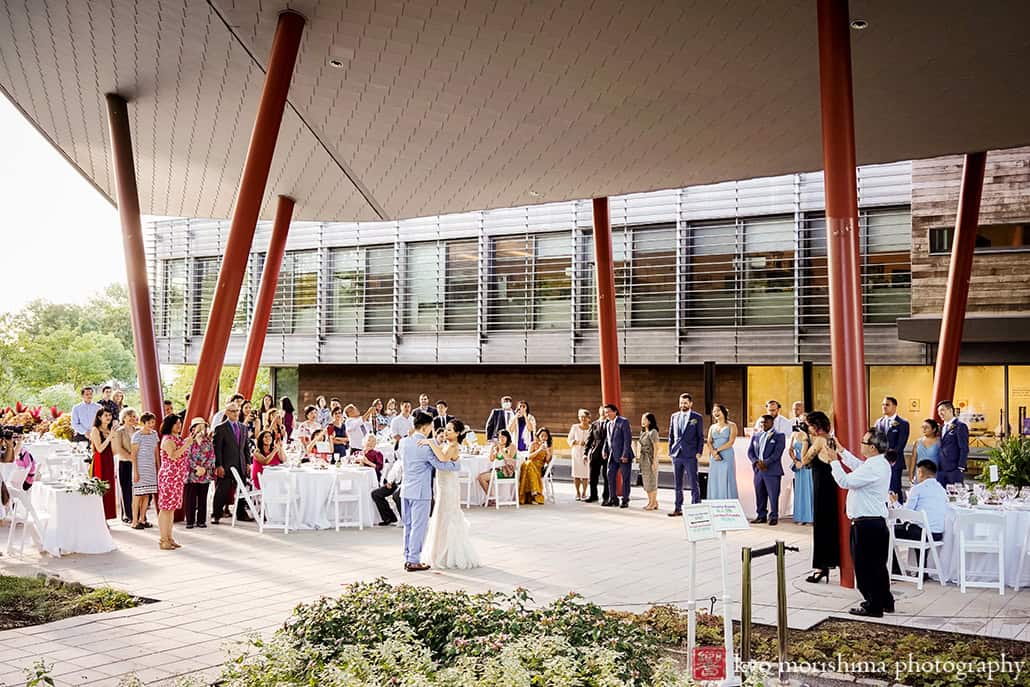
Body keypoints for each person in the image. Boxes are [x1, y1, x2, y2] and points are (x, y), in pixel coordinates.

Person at [829, 427, 895, 618]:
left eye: (864, 442)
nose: (861, 444)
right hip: (874, 524)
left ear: (873, 447)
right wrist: (842, 451)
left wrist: (834, 460)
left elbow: (845, 481)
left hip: (867, 524)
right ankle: (885, 601)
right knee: (878, 566)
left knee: (865, 567)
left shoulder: (874, 467)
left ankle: (873, 605)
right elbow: (858, 466)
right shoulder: (876, 464)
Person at [401, 411, 461, 572]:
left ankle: (407, 557)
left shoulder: (404, 442)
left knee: (408, 525)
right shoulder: (426, 446)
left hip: (405, 489)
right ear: (427, 427)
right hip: (420, 491)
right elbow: (441, 464)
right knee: (419, 526)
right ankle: (414, 560)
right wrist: (457, 465)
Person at [420, 419, 481, 568]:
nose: (446, 432)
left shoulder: (453, 446)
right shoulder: (447, 444)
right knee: (441, 515)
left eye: (449, 430)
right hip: (442, 484)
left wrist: (431, 443)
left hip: (448, 486)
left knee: (446, 515)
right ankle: (440, 552)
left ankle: (445, 554)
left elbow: (443, 458)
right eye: (446, 429)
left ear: (457, 433)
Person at [801, 411, 841, 583]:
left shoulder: (818, 441)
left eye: (809, 425)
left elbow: (804, 460)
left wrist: (803, 441)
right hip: (830, 485)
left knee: (821, 526)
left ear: (815, 426)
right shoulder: (830, 439)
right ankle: (827, 563)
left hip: (822, 487)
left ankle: (820, 567)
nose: (807, 428)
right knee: (830, 524)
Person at [156, 414, 192, 549]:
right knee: (165, 508)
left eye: (180, 423)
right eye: (176, 423)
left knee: (171, 509)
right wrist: (186, 444)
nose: (179, 425)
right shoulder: (167, 439)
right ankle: (163, 539)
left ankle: (169, 537)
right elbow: (174, 455)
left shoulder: (178, 438)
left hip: (177, 477)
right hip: (169, 477)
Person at [212, 404, 252, 524]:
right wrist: (219, 465)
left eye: (237, 411)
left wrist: (248, 463)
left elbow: (246, 448)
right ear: (227, 412)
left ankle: (241, 513)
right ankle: (216, 514)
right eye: (232, 411)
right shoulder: (220, 428)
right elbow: (217, 449)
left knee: (242, 489)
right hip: (226, 465)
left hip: (241, 463)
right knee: (221, 491)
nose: (235, 413)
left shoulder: (243, 428)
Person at [892, 460, 947, 543]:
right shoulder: (942, 490)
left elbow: (905, 513)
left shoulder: (918, 489)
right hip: (937, 535)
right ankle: (919, 556)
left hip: (922, 534)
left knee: (886, 531)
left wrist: (895, 502)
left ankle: (891, 556)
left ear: (920, 472)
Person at [668, 393, 704, 515]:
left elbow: (700, 436)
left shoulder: (697, 417)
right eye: (681, 402)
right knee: (678, 483)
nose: (682, 405)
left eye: (685, 403)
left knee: (693, 481)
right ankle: (678, 508)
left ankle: (696, 508)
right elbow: (671, 435)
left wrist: (699, 451)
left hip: (690, 454)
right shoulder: (674, 416)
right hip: (677, 454)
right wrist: (670, 451)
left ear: (690, 404)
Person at [748, 414, 786, 525]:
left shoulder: (779, 436)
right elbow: (750, 452)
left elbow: (777, 454)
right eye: (762, 422)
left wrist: (765, 462)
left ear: (772, 423)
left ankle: (774, 516)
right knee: (759, 494)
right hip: (758, 470)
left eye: (766, 422)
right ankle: (761, 516)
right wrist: (756, 462)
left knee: (773, 495)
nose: (763, 424)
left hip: (772, 470)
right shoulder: (756, 435)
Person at [877, 397, 910, 503]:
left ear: (895, 406)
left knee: (894, 488)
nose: (884, 407)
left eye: (887, 405)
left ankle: (899, 514)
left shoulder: (903, 423)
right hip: (880, 461)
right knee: (882, 488)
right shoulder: (879, 422)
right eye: (883, 405)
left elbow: (901, 444)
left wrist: (889, 457)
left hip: (894, 462)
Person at [130, 412, 160, 530]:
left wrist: (158, 467)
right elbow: (134, 455)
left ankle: (143, 519)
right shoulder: (137, 435)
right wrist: (136, 472)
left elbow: (156, 452)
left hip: (151, 468)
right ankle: (134, 521)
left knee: (147, 494)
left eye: (153, 422)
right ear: (143, 423)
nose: (152, 425)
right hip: (140, 468)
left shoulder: (154, 434)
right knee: (138, 495)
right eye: (149, 422)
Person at [184, 418, 215, 529]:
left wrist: (204, 468)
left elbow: (212, 457)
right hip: (191, 474)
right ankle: (190, 521)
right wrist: (196, 467)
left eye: (204, 426)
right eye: (199, 426)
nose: (202, 429)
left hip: (204, 474)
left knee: (203, 498)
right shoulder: (187, 441)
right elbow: (186, 458)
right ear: (193, 428)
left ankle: (201, 520)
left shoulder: (208, 442)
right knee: (190, 498)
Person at [603, 404, 634, 508]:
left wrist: (625, 454)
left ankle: (625, 500)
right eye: (605, 412)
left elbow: (627, 439)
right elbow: (608, 439)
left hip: (623, 456)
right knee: (610, 476)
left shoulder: (623, 421)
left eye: (608, 412)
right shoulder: (608, 424)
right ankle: (613, 499)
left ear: (615, 411)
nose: (606, 414)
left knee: (625, 478)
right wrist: (605, 450)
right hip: (612, 456)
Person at [89, 408, 118, 520]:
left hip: (109, 460)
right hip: (99, 461)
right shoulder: (95, 430)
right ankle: (99, 518)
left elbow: (115, 450)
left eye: (110, 415)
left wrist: (114, 436)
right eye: (106, 415)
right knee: (101, 489)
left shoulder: (111, 430)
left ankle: (107, 517)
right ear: (99, 417)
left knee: (109, 489)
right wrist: (110, 437)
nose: (109, 417)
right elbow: (99, 449)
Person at [706, 404, 739, 501]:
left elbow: (731, 442)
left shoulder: (732, 425)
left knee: (727, 477)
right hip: (715, 457)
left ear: (724, 412)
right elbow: (709, 441)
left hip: (726, 454)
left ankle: (729, 505)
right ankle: (714, 504)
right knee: (714, 479)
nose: (716, 413)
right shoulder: (712, 427)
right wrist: (714, 453)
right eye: (714, 411)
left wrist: (718, 450)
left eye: (718, 411)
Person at [111, 408, 139, 523]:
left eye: (134, 416)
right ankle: (128, 515)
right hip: (125, 463)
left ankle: (138, 514)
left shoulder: (138, 430)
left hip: (137, 463)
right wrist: (131, 458)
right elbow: (118, 449)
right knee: (126, 489)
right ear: (124, 418)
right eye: (130, 416)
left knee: (137, 490)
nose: (132, 418)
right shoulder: (119, 431)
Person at [936, 400, 968, 486]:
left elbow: (964, 448)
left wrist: (960, 467)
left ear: (950, 410)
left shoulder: (960, 426)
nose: (940, 413)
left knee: (954, 495)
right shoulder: (941, 427)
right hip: (940, 469)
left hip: (954, 469)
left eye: (942, 410)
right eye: (938, 411)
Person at [519, 427, 553, 505]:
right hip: (530, 464)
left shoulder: (548, 447)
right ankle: (534, 492)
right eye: (542, 436)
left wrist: (548, 452)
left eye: (546, 436)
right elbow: (529, 457)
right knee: (528, 463)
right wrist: (539, 450)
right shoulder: (533, 444)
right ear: (538, 436)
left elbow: (547, 461)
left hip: (539, 468)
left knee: (528, 465)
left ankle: (532, 494)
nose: (544, 438)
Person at [789, 416, 814, 524]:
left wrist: (802, 462)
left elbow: (808, 452)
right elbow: (790, 450)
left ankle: (810, 517)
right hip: (798, 466)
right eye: (800, 421)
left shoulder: (811, 435)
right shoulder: (794, 434)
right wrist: (795, 461)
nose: (802, 423)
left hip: (808, 466)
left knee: (809, 490)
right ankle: (800, 517)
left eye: (805, 421)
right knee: (799, 491)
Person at [479, 429, 516, 497]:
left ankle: (492, 498)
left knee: (481, 478)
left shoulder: (511, 446)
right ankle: (491, 498)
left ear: (507, 438)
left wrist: (501, 449)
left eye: (503, 437)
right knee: (480, 477)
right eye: (500, 437)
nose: (501, 439)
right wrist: (493, 449)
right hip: (497, 471)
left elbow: (508, 459)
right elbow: (491, 459)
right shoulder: (497, 447)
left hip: (507, 472)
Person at [584, 406, 609, 503]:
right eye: (601, 410)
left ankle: (606, 497)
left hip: (607, 453)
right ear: (599, 411)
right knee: (593, 476)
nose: (603, 412)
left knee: (606, 476)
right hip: (595, 454)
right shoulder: (594, 424)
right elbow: (589, 440)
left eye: (605, 411)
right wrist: (585, 453)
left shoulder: (610, 424)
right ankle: (593, 495)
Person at [637, 413, 661, 510]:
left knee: (652, 481)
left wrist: (654, 462)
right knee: (646, 481)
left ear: (650, 421)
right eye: (642, 419)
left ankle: (653, 503)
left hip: (650, 459)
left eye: (645, 419)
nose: (642, 421)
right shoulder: (642, 432)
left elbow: (656, 447)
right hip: (643, 459)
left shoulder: (653, 432)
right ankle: (652, 502)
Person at [372, 456, 403, 526]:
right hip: (395, 483)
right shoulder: (399, 461)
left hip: (405, 484)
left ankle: (404, 520)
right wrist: (390, 481)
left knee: (397, 496)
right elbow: (394, 471)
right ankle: (389, 518)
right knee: (376, 494)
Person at [568, 409, 592, 501]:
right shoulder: (575, 427)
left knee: (586, 474)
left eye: (585, 417)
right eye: (581, 417)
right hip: (576, 453)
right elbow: (569, 439)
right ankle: (577, 492)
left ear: (589, 418)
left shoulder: (591, 427)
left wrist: (588, 444)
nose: (583, 419)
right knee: (576, 473)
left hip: (587, 453)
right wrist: (577, 442)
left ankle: (584, 492)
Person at [908, 419, 940, 484]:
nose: (924, 429)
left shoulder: (939, 442)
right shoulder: (917, 442)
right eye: (923, 427)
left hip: (933, 474)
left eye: (927, 427)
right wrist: (911, 475)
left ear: (933, 429)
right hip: (919, 474)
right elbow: (913, 459)